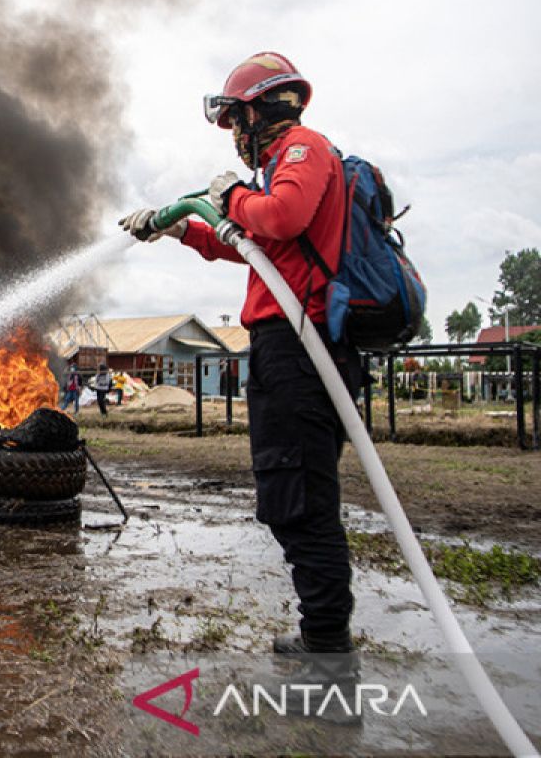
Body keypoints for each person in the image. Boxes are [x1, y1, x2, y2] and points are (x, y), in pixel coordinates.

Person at [120, 52, 364, 719]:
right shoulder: (280, 166)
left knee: (300, 503)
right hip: (288, 349)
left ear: (259, 110)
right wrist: (184, 228)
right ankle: (323, 642)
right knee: (296, 497)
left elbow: (277, 219)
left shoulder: (304, 150)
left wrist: (226, 193)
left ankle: (330, 670)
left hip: (301, 349)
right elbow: (251, 242)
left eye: (234, 119)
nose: (233, 134)